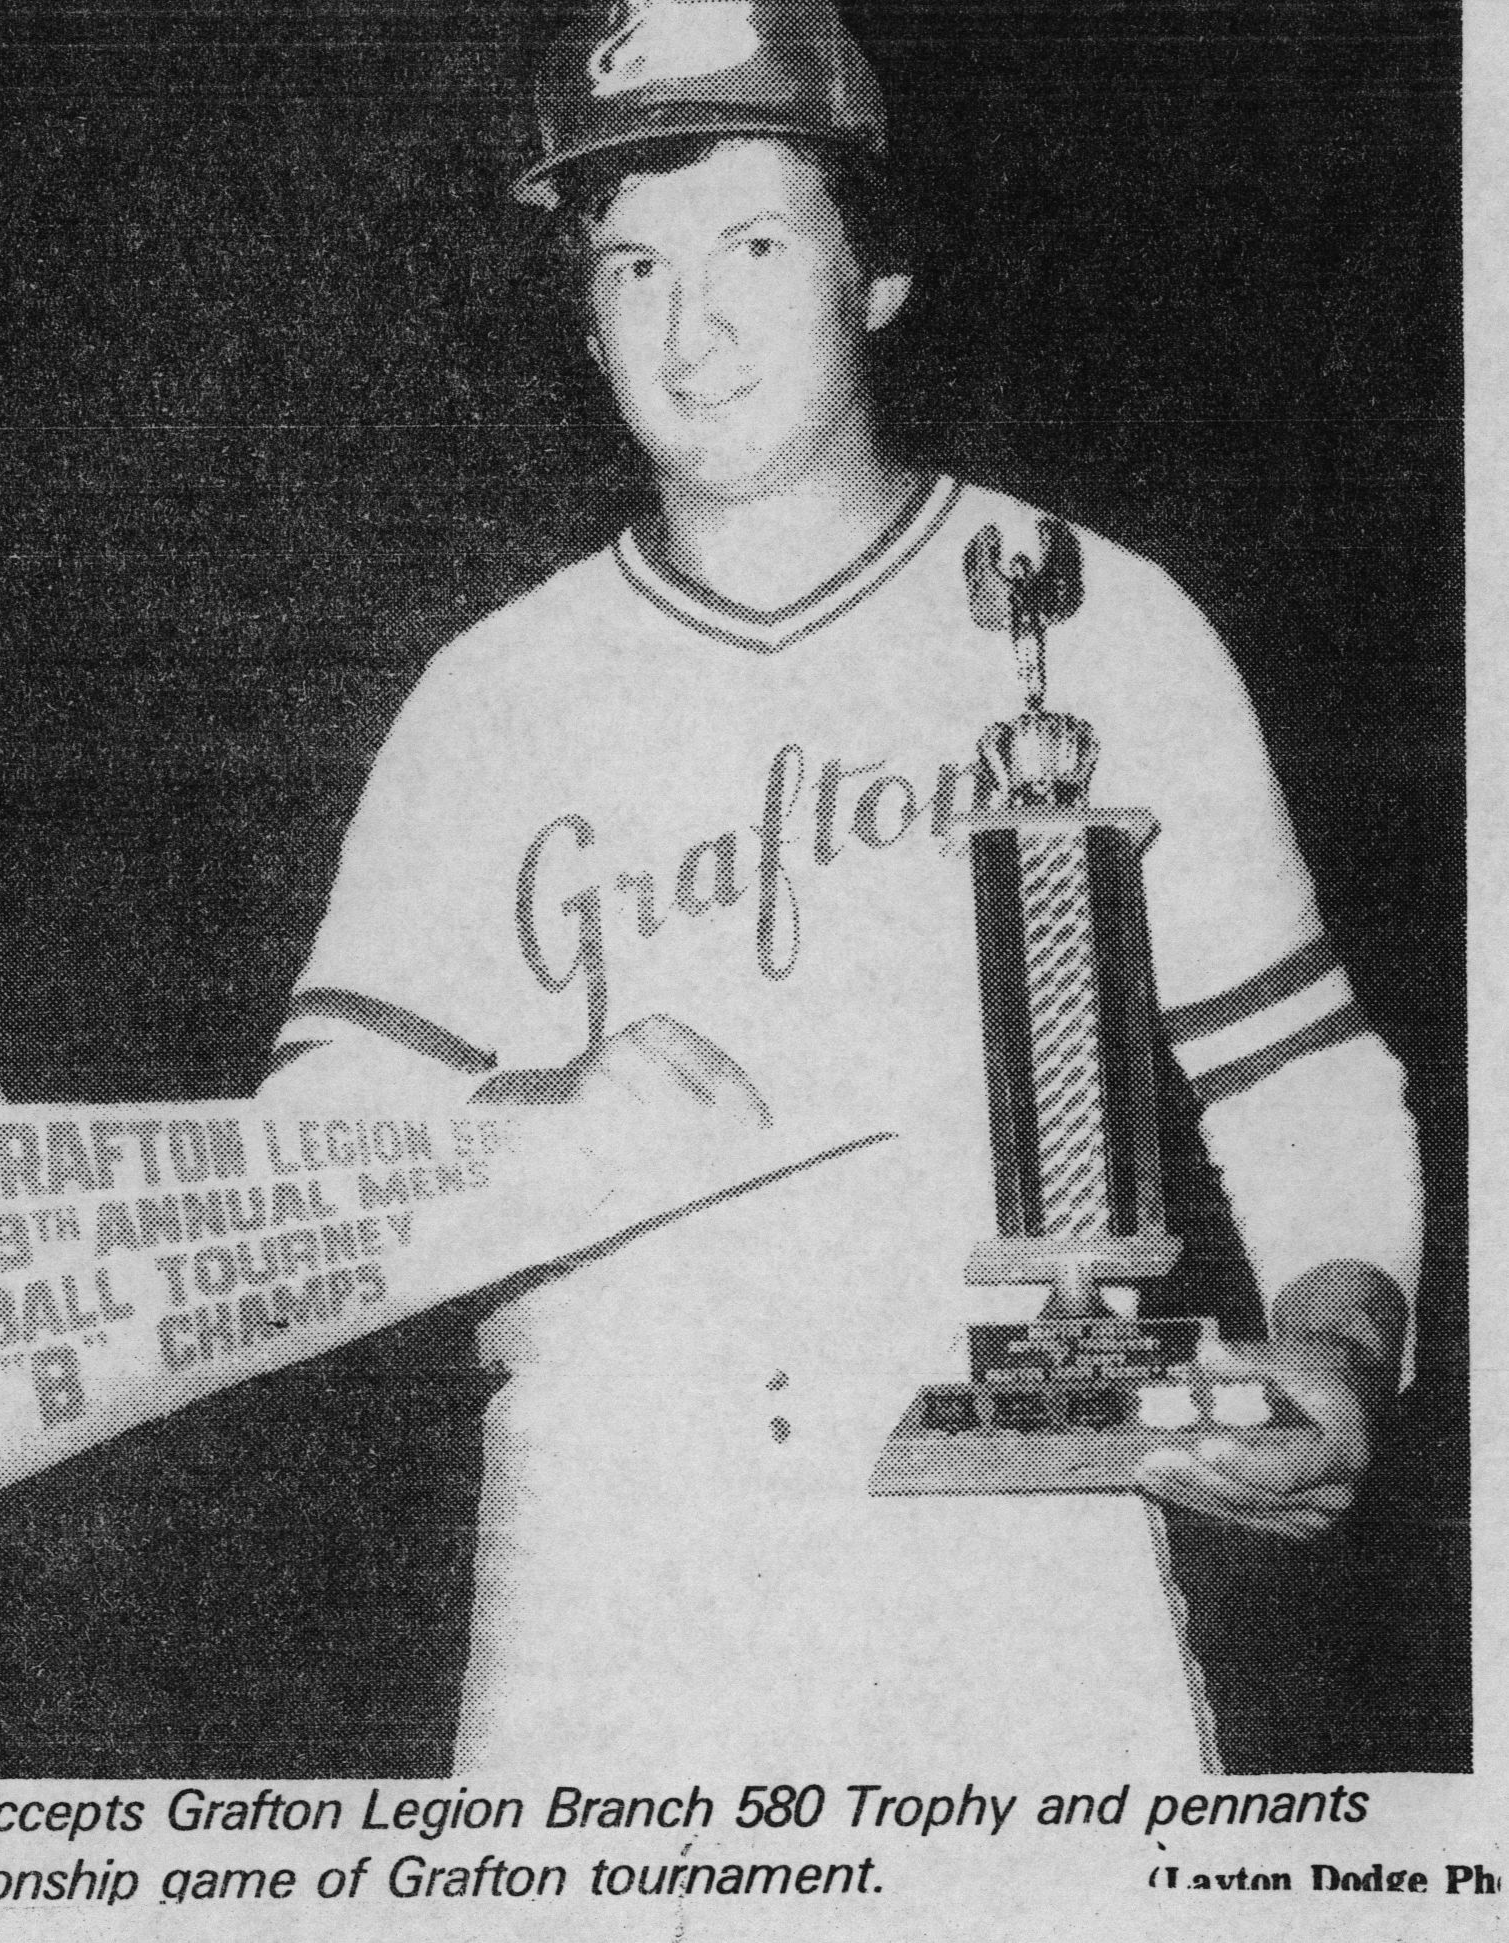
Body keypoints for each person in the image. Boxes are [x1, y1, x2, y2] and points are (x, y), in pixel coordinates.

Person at [261, 0, 1419, 1773]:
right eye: (630, 262)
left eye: (750, 243)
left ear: (874, 271)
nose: (688, 318)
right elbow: (307, 1145)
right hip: (608, 1574)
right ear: (580, 314)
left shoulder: (1098, 618)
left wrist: (1333, 1353)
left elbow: (1301, 1080)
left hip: (1022, 1560)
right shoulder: (488, 692)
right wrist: (523, 1109)